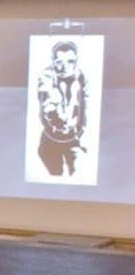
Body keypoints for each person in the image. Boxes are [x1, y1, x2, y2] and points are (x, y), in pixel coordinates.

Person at [36, 40, 87, 176]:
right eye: (59, 62)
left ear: (76, 61)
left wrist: (83, 132)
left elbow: (89, 104)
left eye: (70, 61)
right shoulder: (46, 75)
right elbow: (47, 98)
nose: (65, 67)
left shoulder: (82, 77)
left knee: (79, 174)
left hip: (76, 137)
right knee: (55, 174)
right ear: (53, 61)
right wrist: (55, 118)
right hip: (51, 138)